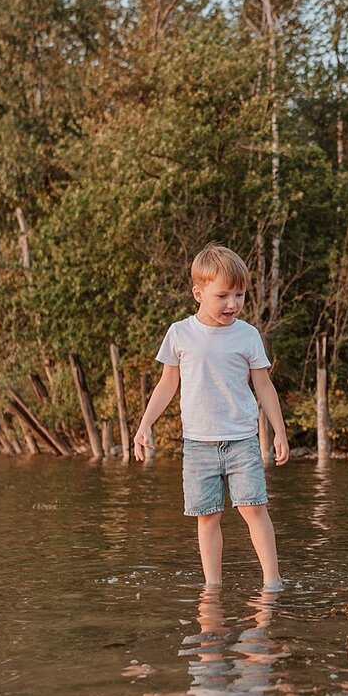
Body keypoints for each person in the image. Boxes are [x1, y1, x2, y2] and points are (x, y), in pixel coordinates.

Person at [134, 244, 290, 586]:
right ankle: (213, 587)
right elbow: (166, 384)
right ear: (198, 293)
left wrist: (279, 430)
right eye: (223, 296)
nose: (232, 304)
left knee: (254, 510)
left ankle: (273, 582)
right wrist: (145, 424)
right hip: (198, 446)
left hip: (242, 441)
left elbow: (264, 386)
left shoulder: (248, 335)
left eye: (239, 295)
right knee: (207, 517)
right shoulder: (180, 334)